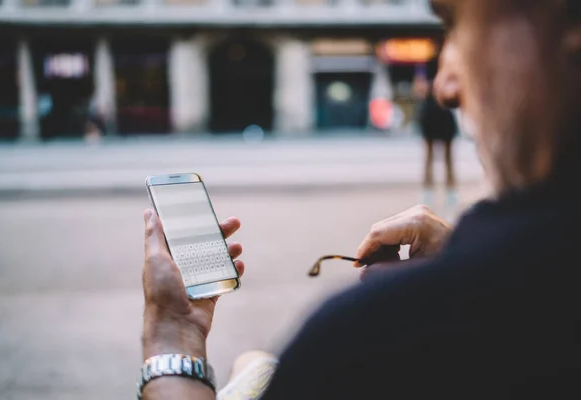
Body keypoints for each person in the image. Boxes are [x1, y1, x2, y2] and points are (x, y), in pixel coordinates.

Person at [138, 0, 581, 398]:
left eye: (457, 24)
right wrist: (462, 256)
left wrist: (173, 341)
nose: (447, 86)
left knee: (253, 366)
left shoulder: (370, 344)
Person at [415, 57, 458, 207]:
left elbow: (419, 89)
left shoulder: (432, 66)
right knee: (437, 157)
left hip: (439, 112)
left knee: (440, 157)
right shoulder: (440, 65)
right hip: (436, 112)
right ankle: (436, 193)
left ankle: (446, 193)